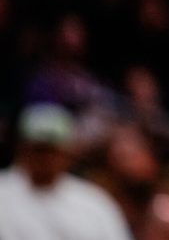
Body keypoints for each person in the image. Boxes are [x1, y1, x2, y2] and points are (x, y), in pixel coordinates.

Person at [0, 102, 133, 240]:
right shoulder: (3, 192)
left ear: (68, 152)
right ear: (22, 149)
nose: (46, 158)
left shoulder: (93, 202)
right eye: (39, 150)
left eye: (53, 151)